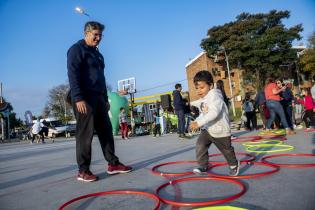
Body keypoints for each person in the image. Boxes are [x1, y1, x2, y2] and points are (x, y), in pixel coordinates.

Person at [67, 21, 132, 182]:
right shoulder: (77, 49)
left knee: (106, 132)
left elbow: (100, 79)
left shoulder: (97, 54)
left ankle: (113, 164)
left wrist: (105, 98)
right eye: (95, 35)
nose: (98, 38)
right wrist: (78, 98)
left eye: (100, 35)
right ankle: (83, 170)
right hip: (84, 98)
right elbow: (73, 74)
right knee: (85, 135)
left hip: (99, 98)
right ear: (86, 34)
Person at [189, 70, 240, 176]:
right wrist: (196, 121)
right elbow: (204, 113)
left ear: (211, 86)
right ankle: (203, 166)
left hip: (220, 129)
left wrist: (199, 123)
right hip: (208, 129)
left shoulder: (215, 96)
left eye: (202, 87)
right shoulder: (204, 99)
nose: (198, 91)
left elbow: (214, 113)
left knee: (226, 150)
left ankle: (234, 165)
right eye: (197, 88)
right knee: (200, 145)